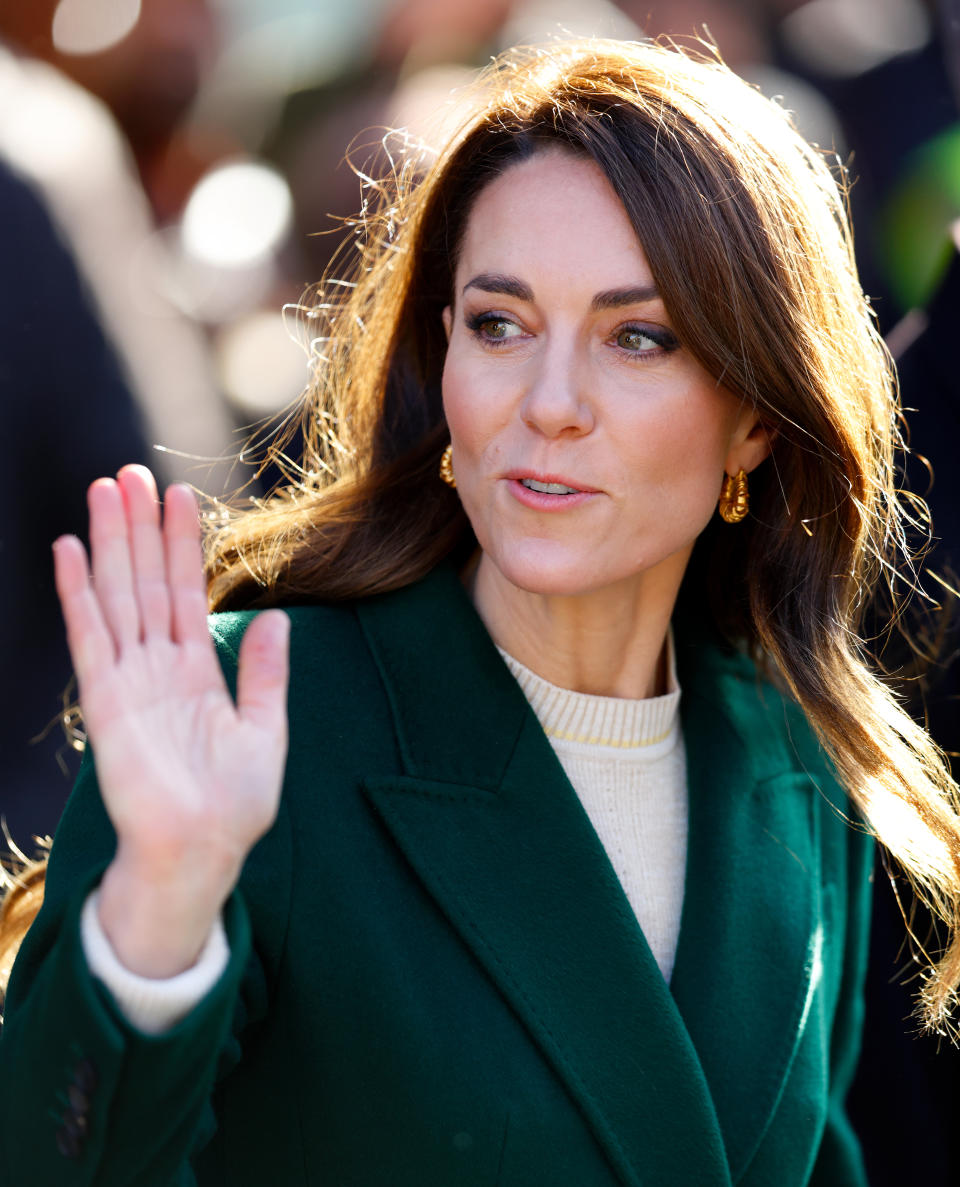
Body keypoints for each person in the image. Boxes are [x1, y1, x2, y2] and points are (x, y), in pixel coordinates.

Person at [2, 37, 959, 1186]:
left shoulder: (799, 761)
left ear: (757, 417)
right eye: (499, 324)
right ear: (438, 350)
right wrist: (152, 919)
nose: (547, 403)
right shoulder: (249, 716)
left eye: (637, 336)